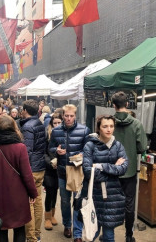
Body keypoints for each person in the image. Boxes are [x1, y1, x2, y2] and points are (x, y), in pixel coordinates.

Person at [0, 115, 38, 242]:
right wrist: (33, 193)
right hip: (17, 196)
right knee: (19, 228)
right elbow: (27, 174)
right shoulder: (20, 147)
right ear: (14, 128)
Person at [83, 115, 129, 242]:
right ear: (98, 128)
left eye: (111, 126)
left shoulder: (118, 145)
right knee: (91, 233)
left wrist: (100, 166)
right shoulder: (90, 146)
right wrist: (113, 168)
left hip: (113, 196)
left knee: (109, 235)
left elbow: (124, 168)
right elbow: (88, 171)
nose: (109, 129)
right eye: (105, 126)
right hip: (94, 194)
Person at [49, 104, 90, 242]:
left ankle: (77, 232)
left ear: (75, 116)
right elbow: (50, 148)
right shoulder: (56, 131)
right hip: (62, 171)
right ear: (63, 115)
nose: (68, 118)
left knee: (78, 201)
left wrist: (81, 154)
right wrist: (56, 150)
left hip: (78, 171)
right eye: (66, 116)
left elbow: (89, 150)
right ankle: (67, 225)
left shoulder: (84, 130)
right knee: (65, 201)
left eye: (71, 116)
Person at [112, 91, 147, 242]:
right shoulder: (137, 124)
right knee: (129, 204)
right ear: (127, 104)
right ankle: (128, 236)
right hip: (129, 169)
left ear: (113, 105)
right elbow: (142, 147)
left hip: (111, 170)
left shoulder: (108, 123)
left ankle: (108, 233)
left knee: (109, 202)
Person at [19, 99, 46, 242]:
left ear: (25, 110)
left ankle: (31, 237)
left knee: (29, 202)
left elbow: (26, 151)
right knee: (37, 201)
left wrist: (24, 170)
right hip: (40, 167)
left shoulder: (28, 126)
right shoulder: (39, 123)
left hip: (31, 169)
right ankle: (37, 233)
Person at [43, 113, 62, 231]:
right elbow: (43, 152)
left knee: (55, 192)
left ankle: (53, 215)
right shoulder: (47, 136)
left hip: (60, 169)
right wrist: (50, 162)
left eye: (59, 122)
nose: (57, 125)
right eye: (55, 123)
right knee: (49, 192)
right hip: (49, 168)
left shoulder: (64, 135)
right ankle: (47, 218)